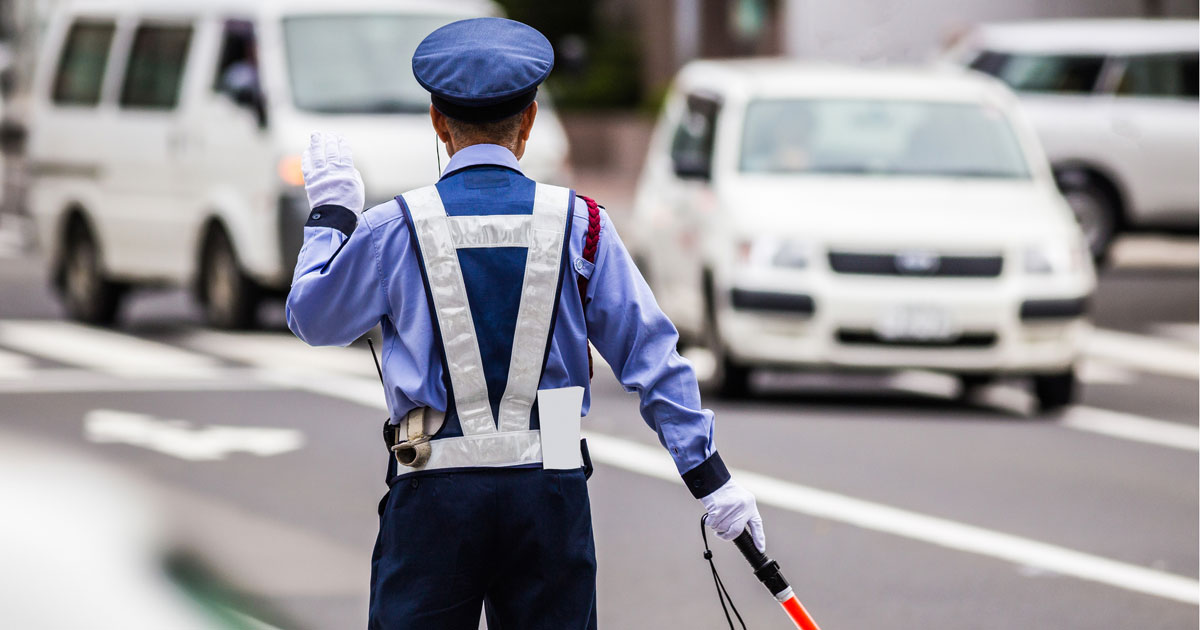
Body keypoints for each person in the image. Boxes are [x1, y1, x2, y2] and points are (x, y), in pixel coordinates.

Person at [286, 17, 765, 630]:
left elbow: (312, 317)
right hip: (550, 494)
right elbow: (651, 355)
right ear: (530, 120)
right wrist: (711, 479)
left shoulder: (395, 227)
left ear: (438, 122)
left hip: (432, 492)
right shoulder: (582, 224)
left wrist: (331, 213)